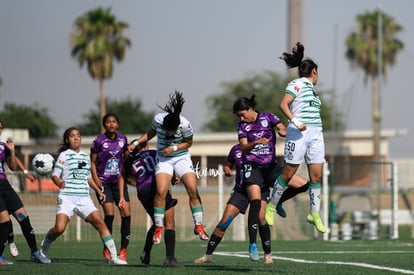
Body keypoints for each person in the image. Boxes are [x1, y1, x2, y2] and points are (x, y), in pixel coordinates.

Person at [194, 143, 308, 264]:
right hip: (241, 191)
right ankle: (208, 255)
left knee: (261, 218)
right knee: (224, 221)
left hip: (260, 189)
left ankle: (267, 254)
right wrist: (227, 169)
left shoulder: (264, 147)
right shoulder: (236, 149)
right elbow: (228, 165)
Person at [128, 91, 208, 245]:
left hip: (181, 157)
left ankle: (198, 225)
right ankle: (159, 227)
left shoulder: (185, 125)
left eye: (172, 131)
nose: (169, 133)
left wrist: (173, 148)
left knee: (192, 189)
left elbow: (189, 143)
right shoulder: (158, 120)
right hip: (163, 159)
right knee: (161, 191)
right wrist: (136, 143)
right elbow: (150, 133)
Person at [40, 127, 127, 265]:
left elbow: (88, 178)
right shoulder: (64, 155)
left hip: (84, 198)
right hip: (67, 197)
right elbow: (55, 175)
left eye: (78, 136)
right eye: (72, 136)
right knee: (59, 228)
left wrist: (99, 191)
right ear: (67, 140)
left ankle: (113, 257)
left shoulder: (85, 156)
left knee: (100, 223)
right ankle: (43, 249)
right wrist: (59, 182)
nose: (76, 138)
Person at [265, 42, 327, 233]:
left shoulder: (312, 90)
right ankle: (272, 205)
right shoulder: (297, 83)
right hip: (298, 133)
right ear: (314, 71)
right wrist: (295, 120)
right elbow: (283, 104)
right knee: (288, 174)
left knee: (316, 176)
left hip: (316, 133)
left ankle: (314, 213)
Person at [230, 95, 292, 261]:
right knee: (257, 209)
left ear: (250, 109)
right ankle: (253, 245)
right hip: (253, 168)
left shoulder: (268, 117)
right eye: (239, 117)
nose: (242, 119)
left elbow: (281, 126)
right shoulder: (242, 126)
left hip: (271, 168)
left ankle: (276, 201)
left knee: (302, 184)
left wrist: (282, 130)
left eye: (243, 114)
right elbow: (243, 148)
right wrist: (255, 143)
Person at [124, 141, 182, 267]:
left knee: (157, 223)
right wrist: (173, 178)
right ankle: (170, 259)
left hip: (143, 191)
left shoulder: (130, 160)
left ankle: (146, 252)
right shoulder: (155, 153)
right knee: (169, 222)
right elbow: (166, 166)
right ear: (146, 147)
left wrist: (138, 183)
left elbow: (126, 178)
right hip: (158, 187)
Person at [0, 121, 50, 265]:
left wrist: (12, 151)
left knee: (23, 217)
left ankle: (35, 253)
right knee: (4, 221)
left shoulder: (4, 147)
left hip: (5, 186)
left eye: (0, 127)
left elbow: (13, 167)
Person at [90, 113, 131, 262]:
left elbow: (125, 157)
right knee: (110, 214)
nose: (111, 124)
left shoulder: (123, 139)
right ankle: (107, 247)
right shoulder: (98, 141)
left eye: (114, 121)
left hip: (119, 182)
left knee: (126, 213)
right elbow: (92, 163)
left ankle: (123, 249)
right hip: (104, 183)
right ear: (104, 125)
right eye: (108, 122)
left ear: (118, 124)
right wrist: (96, 180)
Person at [6, 156, 36, 258]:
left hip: (5, 186)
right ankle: (11, 242)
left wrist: (25, 172)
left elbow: (13, 158)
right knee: (4, 218)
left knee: (23, 217)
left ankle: (34, 251)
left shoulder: (2, 146)